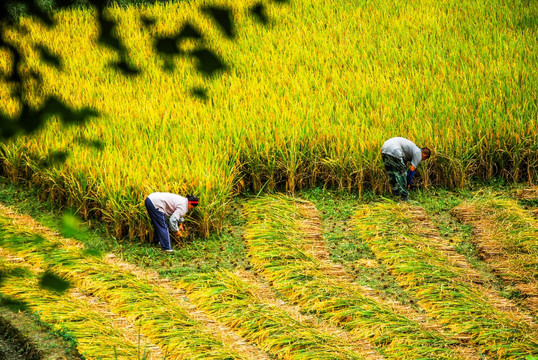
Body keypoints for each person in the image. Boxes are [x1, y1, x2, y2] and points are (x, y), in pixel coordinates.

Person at [381, 137, 431, 201]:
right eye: (424, 159)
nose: (422, 160)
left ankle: (396, 195)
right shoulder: (419, 153)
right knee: (402, 174)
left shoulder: (413, 149)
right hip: (395, 150)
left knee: (392, 174)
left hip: (384, 149)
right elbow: (410, 172)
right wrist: (408, 183)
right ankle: (404, 197)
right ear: (424, 155)